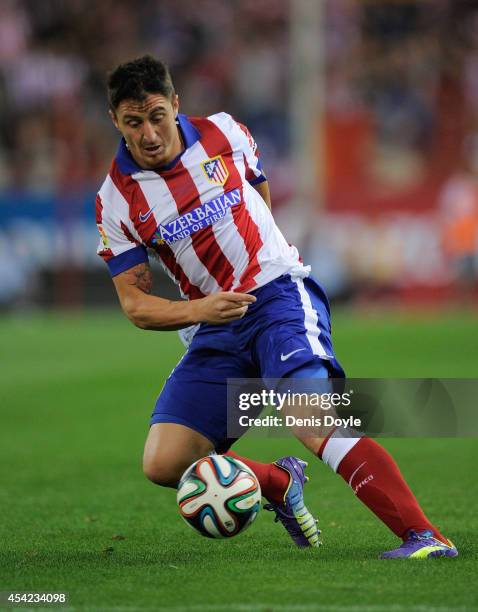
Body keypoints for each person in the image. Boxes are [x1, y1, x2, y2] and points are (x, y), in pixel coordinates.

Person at [96, 55, 457, 559]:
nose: (149, 133)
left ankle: (425, 536)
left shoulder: (225, 133)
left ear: (176, 104)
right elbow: (136, 305)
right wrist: (204, 311)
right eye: (134, 122)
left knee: (312, 417)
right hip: (215, 324)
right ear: (115, 119)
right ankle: (277, 481)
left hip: (277, 297)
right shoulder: (116, 200)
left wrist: (262, 265)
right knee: (164, 462)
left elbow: (259, 198)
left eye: (157, 115)